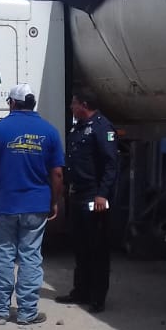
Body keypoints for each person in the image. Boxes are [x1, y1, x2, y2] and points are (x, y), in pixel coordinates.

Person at [0, 83, 64, 325]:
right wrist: (54, 201)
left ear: (12, 103)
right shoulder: (50, 131)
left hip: (6, 204)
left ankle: (0, 310)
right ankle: (27, 313)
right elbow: (57, 173)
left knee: (4, 255)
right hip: (36, 204)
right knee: (30, 257)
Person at [56, 87, 121, 313]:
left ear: (83, 105)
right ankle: (81, 291)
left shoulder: (102, 128)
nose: (71, 107)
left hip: (94, 197)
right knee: (80, 247)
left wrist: (103, 194)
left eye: (73, 103)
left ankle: (97, 297)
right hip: (77, 195)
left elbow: (111, 165)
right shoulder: (79, 127)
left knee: (97, 249)